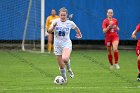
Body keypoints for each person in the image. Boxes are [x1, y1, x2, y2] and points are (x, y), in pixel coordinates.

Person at [48, 7, 82, 82]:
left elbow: (76, 28)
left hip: (66, 43)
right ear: (59, 15)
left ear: (66, 15)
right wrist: (53, 27)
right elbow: (49, 31)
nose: (63, 16)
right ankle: (65, 79)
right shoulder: (55, 21)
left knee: (65, 59)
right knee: (61, 66)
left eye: (64, 15)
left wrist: (80, 34)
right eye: (61, 15)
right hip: (57, 45)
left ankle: (69, 69)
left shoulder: (70, 23)